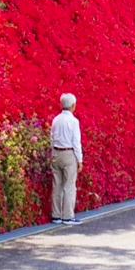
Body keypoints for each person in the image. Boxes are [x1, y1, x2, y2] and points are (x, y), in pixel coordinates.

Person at [50, 92, 83, 225]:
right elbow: (76, 142)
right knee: (69, 186)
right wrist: (79, 160)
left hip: (56, 153)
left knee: (57, 185)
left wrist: (53, 151)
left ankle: (56, 215)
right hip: (69, 154)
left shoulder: (56, 119)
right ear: (73, 105)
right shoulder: (74, 121)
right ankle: (68, 216)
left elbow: (52, 137)